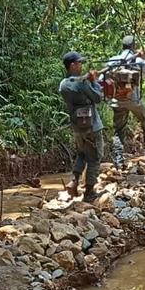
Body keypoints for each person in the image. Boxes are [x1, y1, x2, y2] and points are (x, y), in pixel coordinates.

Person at [101, 35, 145, 166]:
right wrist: (143, 59)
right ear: (133, 46)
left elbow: (102, 79)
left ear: (122, 46)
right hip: (134, 100)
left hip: (117, 100)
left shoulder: (112, 60)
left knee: (118, 129)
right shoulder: (138, 61)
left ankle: (118, 161)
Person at [59, 51, 104, 202]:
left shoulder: (63, 85)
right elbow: (98, 97)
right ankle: (90, 192)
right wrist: (94, 81)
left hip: (78, 128)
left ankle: (74, 180)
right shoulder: (82, 83)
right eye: (79, 63)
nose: (81, 66)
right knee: (95, 157)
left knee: (82, 154)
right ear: (72, 65)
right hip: (92, 126)